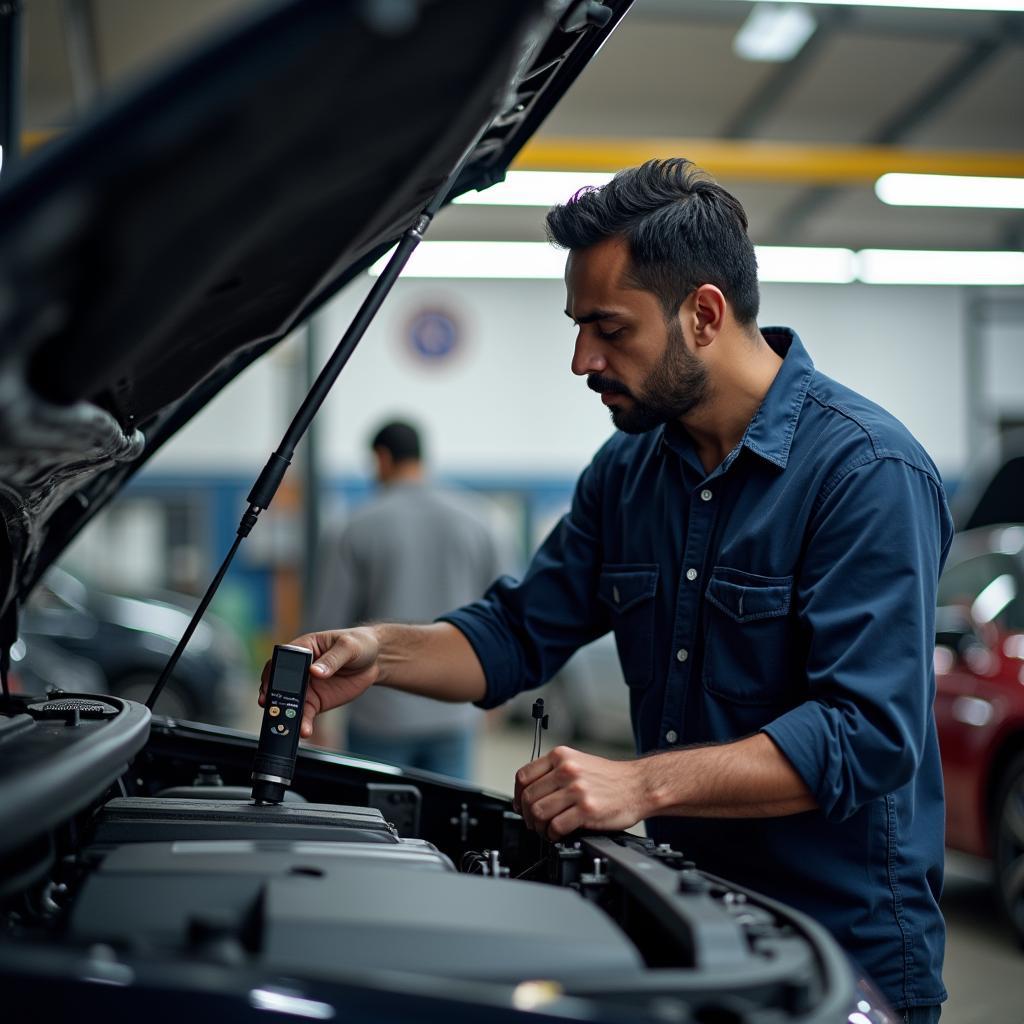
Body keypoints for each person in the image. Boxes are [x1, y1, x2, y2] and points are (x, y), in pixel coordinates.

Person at [266, 160, 951, 1022]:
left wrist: (642, 786)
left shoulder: (864, 473)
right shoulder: (629, 473)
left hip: (839, 963)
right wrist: (378, 650)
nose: (582, 358)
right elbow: (517, 632)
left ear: (703, 314)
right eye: (577, 326)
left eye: (608, 328)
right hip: (687, 924)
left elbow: (866, 735)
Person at [307, 419, 513, 779]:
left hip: (380, 713)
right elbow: (506, 611)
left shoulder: (355, 525)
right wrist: (501, 695)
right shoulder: (479, 520)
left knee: (376, 826)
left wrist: (316, 713)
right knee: (450, 826)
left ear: (382, 458)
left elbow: (327, 625)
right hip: (455, 708)